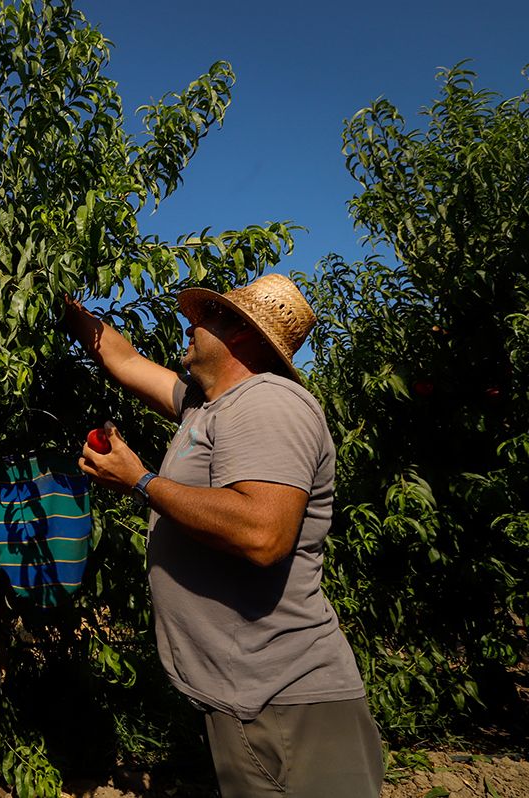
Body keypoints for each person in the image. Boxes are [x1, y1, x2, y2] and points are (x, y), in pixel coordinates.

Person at [64, 274, 384, 797]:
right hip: (246, 697)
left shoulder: (269, 403)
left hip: (287, 697)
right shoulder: (205, 406)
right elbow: (122, 360)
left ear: (240, 334)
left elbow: (262, 532)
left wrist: (141, 480)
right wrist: (63, 305)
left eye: (207, 317)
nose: (191, 325)